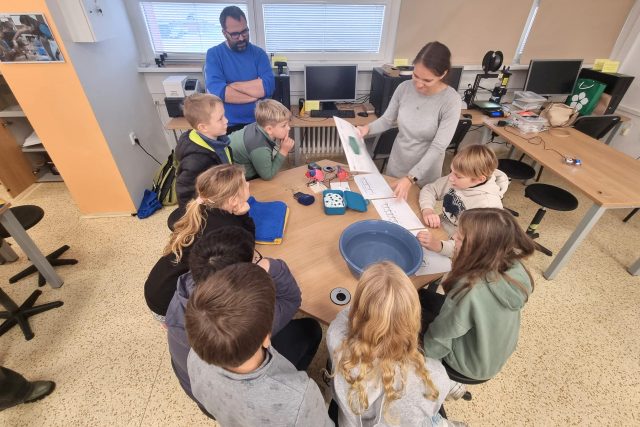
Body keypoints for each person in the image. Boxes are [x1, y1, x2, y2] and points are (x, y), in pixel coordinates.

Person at [166, 226, 322, 402]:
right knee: (311, 329)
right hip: (236, 399)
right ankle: (291, 375)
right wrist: (269, 266)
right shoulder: (238, 322)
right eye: (256, 257)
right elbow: (291, 299)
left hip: (200, 390)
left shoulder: (186, 284)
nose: (258, 258)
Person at [186, 263, 333, 426]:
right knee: (311, 330)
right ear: (266, 339)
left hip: (232, 414)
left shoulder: (195, 355)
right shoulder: (300, 397)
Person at [327, 262, 465, 427]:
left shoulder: (334, 335)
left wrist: (370, 306)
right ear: (414, 320)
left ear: (359, 311)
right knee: (432, 418)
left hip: (351, 420)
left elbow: (345, 315)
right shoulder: (437, 375)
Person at [421, 208, 535, 381]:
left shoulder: (469, 287)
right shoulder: (513, 265)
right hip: (489, 352)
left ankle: (449, 383)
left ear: (479, 249)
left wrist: (425, 362)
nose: (453, 239)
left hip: (466, 364)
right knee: (420, 296)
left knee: (399, 318)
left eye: (459, 238)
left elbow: (441, 335)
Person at [144, 164, 254, 323]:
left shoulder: (201, 206)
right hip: (167, 305)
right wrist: (244, 215)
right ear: (233, 200)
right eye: (245, 183)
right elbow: (248, 247)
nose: (249, 184)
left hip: (156, 286)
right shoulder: (228, 228)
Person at [357, 41, 462, 200]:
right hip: (397, 164)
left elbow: (438, 146)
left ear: (442, 74)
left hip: (425, 173)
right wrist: (367, 129)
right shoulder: (404, 88)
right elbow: (387, 120)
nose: (419, 84)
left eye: (427, 80)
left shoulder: (451, 101)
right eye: (415, 76)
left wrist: (411, 177)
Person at [417, 144, 509, 257]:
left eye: (458, 176)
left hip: (455, 249)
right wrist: (427, 209)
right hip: (439, 229)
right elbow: (430, 189)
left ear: (480, 179)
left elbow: (472, 249)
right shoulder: (459, 176)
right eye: (451, 171)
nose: (451, 178)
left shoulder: (487, 207)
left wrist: (438, 246)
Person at [205, 6, 275, 133]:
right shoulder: (214, 54)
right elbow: (219, 92)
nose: (242, 38)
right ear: (224, 33)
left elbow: (268, 86)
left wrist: (232, 86)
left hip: (259, 123)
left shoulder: (259, 54)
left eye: (245, 31)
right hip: (227, 125)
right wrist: (255, 95)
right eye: (235, 34)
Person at [174, 93, 232, 214]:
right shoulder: (196, 160)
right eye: (220, 118)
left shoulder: (218, 140)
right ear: (203, 127)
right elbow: (185, 192)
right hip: (210, 210)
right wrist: (194, 218)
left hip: (224, 197)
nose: (226, 120)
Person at [229, 99, 295, 180]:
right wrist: (283, 151)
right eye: (284, 125)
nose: (289, 128)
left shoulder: (259, 125)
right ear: (269, 129)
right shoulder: (260, 147)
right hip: (239, 178)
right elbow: (267, 175)